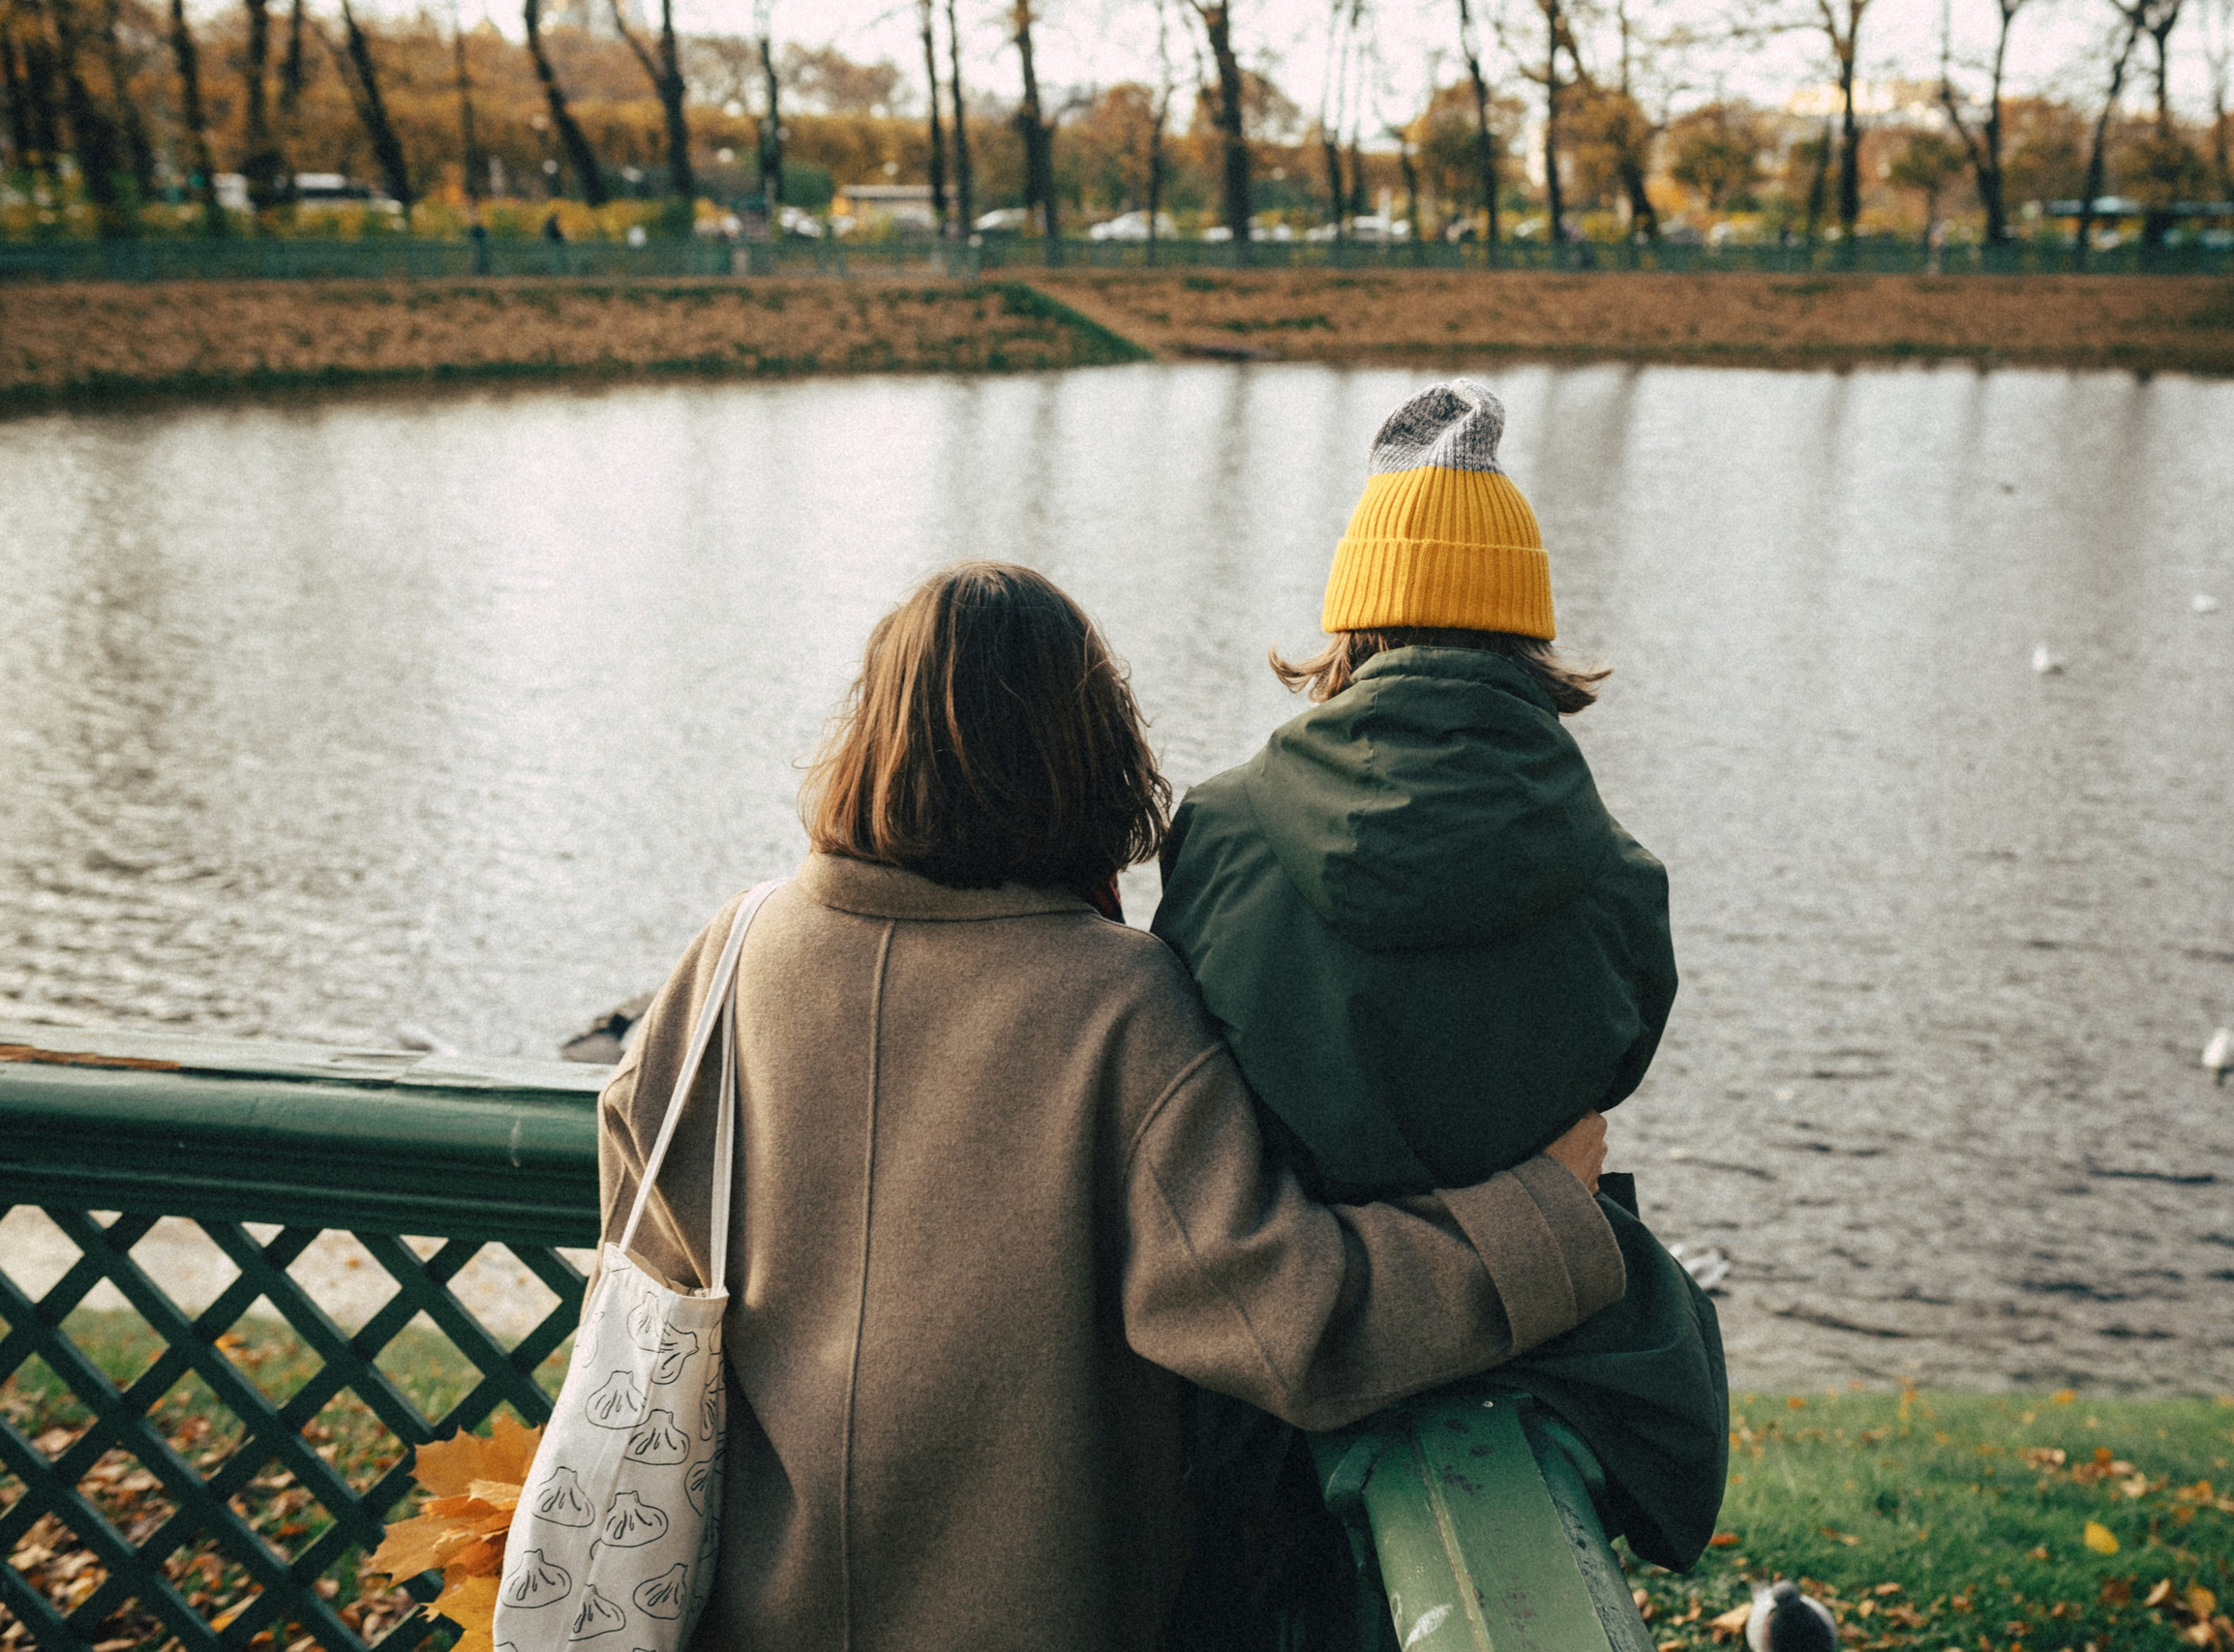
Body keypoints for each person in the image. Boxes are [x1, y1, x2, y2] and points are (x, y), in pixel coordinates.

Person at [596, 561, 1626, 1652]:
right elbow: (1277, 1321)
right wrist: (1542, 1222)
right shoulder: (1117, 1001)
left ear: (871, 731)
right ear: (1087, 747)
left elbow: (643, 1223)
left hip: (734, 1610)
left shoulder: (733, 951)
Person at [1151, 379, 1731, 1631]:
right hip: (1535, 1329)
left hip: (1275, 1367)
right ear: (1530, 639)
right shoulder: (1622, 879)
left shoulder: (1219, 831)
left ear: (1349, 632)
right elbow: (1615, 1069)